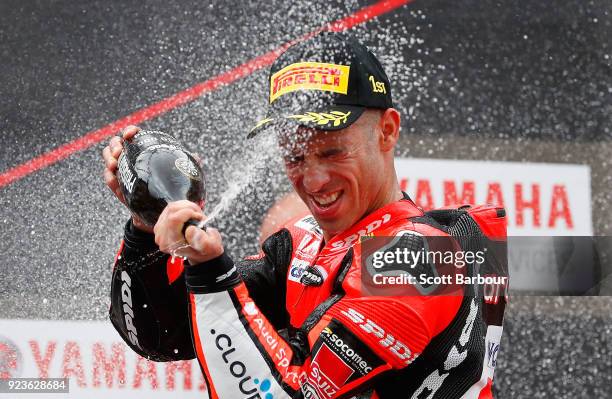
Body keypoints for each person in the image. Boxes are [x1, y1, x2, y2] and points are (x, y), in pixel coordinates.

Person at [103, 32, 506, 398]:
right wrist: (147, 221)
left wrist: (210, 270)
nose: (313, 181)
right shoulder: (303, 244)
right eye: (295, 156)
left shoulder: (421, 258)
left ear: (387, 130)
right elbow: (165, 336)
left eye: (332, 152)